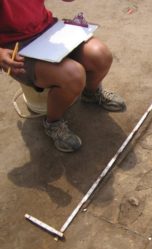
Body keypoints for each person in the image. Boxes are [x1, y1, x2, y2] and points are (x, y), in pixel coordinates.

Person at [0, 0, 126, 152]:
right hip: (16, 47)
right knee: (73, 75)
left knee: (101, 55)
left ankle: (91, 94)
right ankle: (53, 123)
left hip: (48, 29)